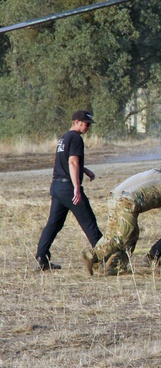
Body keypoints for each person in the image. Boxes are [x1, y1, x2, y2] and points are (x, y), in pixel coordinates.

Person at [82, 164, 161, 276]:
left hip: (115, 198)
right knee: (123, 236)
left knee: (122, 235)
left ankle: (114, 265)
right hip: (125, 202)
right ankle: (92, 255)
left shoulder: (152, 173)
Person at [35, 110, 102, 271]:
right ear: (77, 122)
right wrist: (77, 188)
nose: (88, 128)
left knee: (54, 223)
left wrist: (84, 170)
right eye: (86, 124)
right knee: (89, 222)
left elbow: (66, 161)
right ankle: (107, 257)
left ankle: (42, 257)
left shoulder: (64, 138)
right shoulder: (76, 138)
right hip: (68, 188)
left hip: (57, 186)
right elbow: (72, 163)